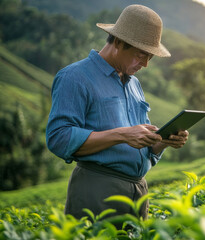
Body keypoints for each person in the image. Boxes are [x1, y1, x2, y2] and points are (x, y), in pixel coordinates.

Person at [46, 4, 189, 221]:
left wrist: (162, 141)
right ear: (119, 43)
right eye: (142, 55)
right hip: (98, 189)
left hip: (138, 193)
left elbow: (143, 148)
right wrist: (122, 134)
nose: (146, 64)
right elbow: (59, 138)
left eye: (150, 57)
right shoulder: (75, 77)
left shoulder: (134, 84)